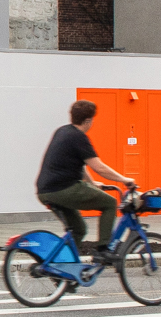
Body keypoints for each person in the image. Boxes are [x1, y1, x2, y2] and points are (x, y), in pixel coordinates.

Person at [35, 99, 136, 261]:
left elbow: (80, 165)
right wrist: (124, 179)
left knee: (79, 229)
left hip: (45, 191)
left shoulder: (62, 131)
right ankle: (103, 249)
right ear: (87, 120)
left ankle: (63, 267)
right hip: (63, 189)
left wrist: (92, 183)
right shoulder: (79, 137)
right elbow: (99, 167)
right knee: (110, 203)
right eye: (92, 120)